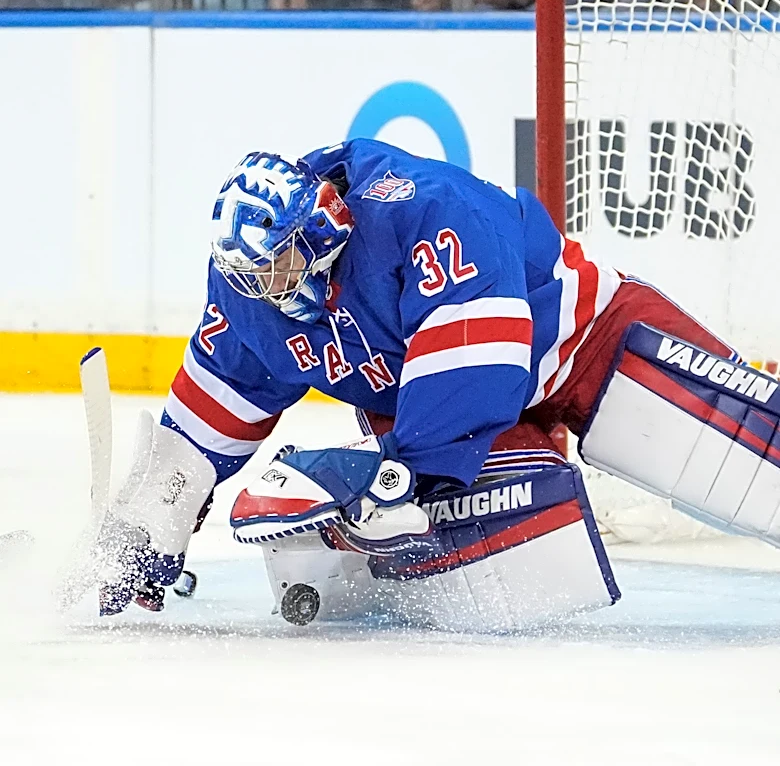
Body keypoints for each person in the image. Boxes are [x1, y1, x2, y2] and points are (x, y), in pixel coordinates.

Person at [97, 139, 780, 630]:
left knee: (756, 456)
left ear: (321, 227)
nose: (265, 290)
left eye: (275, 267)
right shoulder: (251, 297)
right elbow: (210, 409)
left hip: (582, 341)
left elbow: (478, 363)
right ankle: (365, 554)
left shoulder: (422, 208)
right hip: (447, 419)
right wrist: (156, 509)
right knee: (532, 569)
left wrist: (397, 480)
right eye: (251, 278)